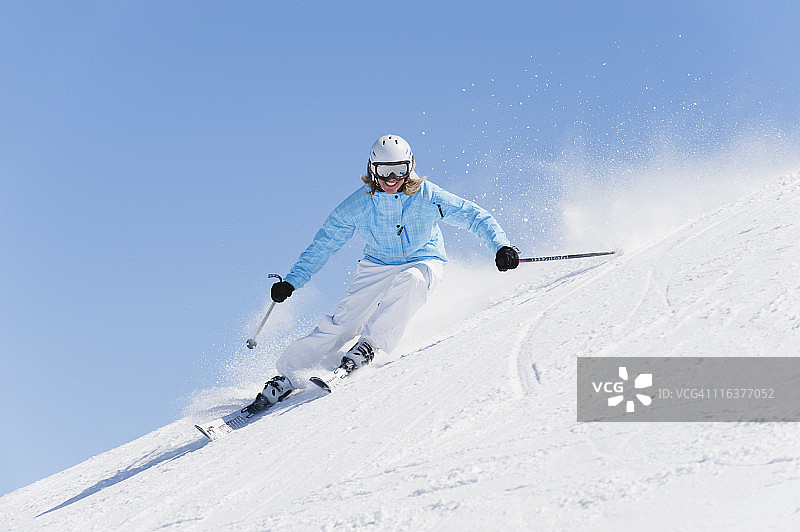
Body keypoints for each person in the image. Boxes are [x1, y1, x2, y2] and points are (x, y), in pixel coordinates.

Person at [244, 134, 519, 413]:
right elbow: (324, 244)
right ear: (372, 170)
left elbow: (474, 216)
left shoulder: (428, 197)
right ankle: (288, 375)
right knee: (344, 322)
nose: (392, 179)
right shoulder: (359, 205)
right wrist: (292, 280)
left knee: (411, 281)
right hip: (377, 263)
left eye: (399, 170)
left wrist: (501, 246)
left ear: (410, 168)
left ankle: (369, 346)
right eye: (385, 171)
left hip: (424, 258)